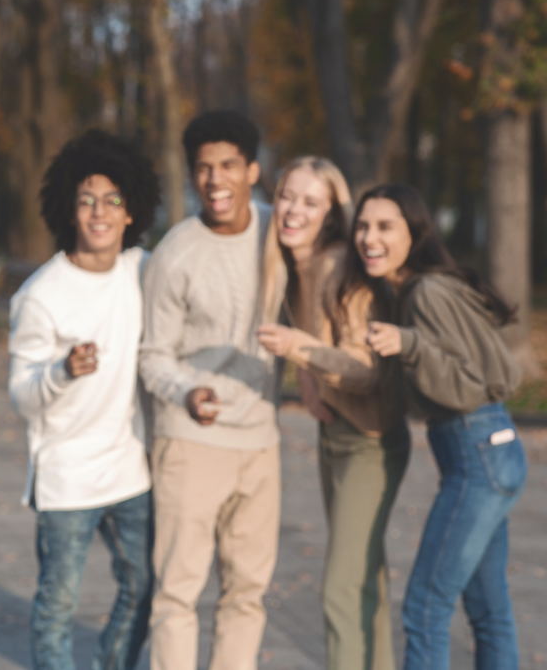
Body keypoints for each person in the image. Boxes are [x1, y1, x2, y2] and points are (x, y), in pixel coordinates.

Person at [353, 184, 527, 670]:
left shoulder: (426, 292)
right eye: (363, 227)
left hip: (476, 453)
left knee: (426, 608)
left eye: (386, 227)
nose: (370, 238)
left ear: (415, 233)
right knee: (489, 610)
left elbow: (472, 384)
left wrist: (409, 344)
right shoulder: (431, 286)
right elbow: (498, 373)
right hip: (491, 449)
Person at [9, 129, 160, 670]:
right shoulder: (40, 295)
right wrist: (61, 372)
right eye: (87, 199)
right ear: (69, 210)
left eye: (113, 199)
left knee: (143, 588)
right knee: (58, 606)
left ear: (130, 210)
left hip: (129, 468)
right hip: (67, 478)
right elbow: (22, 397)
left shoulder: (143, 271)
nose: (100, 212)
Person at [139, 110, 282, 670]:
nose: (215, 180)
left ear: (252, 170)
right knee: (177, 594)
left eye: (227, 166)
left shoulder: (279, 232)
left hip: (261, 441)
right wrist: (186, 393)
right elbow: (153, 356)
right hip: (191, 441)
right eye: (203, 168)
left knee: (247, 594)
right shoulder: (177, 252)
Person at [255, 158, 410, 670]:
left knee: (341, 589)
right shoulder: (295, 265)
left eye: (311, 201)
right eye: (287, 195)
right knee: (367, 580)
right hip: (336, 435)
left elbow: (366, 369)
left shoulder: (338, 264)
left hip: (370, 440)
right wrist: (306, 371)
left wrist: (300, 350)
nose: (294, 209)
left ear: (332, 213)